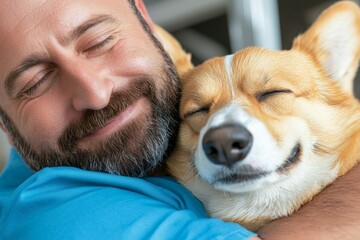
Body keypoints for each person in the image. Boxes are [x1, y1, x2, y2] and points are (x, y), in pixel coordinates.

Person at [0, 0, 359, 239]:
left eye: (100, 41)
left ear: (144, 21)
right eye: (35, 82)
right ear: (4, 124)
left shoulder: (160, 116)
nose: (96, 94)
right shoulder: (59, 218)